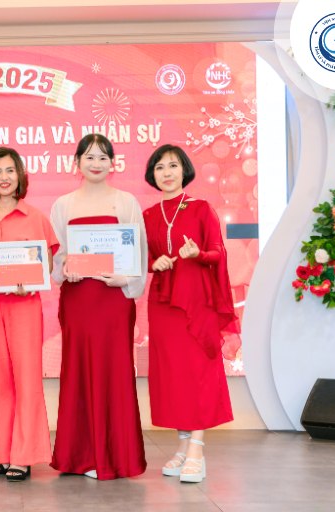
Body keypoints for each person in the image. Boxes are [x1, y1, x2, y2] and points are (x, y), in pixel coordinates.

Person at [49, 133, 148, 480]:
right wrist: (65, 269)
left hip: (114, 300)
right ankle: (80, 455)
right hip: (79, 301)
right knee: (78, 371)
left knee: (115, 372)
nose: (96, 163)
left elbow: (138, 251)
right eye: (89, 157)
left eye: (103, 157)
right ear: (76, 162)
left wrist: (127, 280)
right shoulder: (63, 205)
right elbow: (58, 255)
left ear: (113, 163)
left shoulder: (126, 202)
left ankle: (116, 456)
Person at [142, 144, 238, 484]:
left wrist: (198, 253)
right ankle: (182, 445)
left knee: (198, 372)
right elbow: (140, 257)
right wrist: (154, 263)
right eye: (159, 167)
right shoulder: (148, 215)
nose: (166, 173)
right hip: (163, 304)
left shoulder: (201, 208)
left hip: (196, 303)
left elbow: (218, 253)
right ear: (152, 174)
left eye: (172, 165)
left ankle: (197, 447)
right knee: (172, 375)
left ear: (184, 170)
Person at [0, 147, 57, 482]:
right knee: (0, 380)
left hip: (25, 306)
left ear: (20, 176)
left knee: (26, 379)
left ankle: (24, 455)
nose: (4, 178)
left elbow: (46, 263)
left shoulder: (35, 217)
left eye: (10, 171)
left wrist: (30, 281)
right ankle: (3, 453)